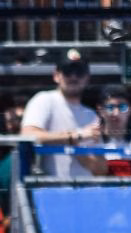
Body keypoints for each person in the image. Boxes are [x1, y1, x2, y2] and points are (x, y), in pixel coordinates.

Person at [20, 49, 103, 179]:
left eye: (79, 72)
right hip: (50, 190)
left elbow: (101, 169)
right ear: (56, 75)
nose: (73, 77)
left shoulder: (91, 115)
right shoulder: (44, 100)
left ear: (87, 78)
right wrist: (75, 136)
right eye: (68, 71)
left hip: (85, 191)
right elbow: (27, 135)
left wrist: (76, 148)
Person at [94, 84, 131, 177]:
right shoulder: (94, 142)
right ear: (100, 110)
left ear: (130, 110)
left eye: (122, 107)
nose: (116, 113)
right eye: (110, 107)